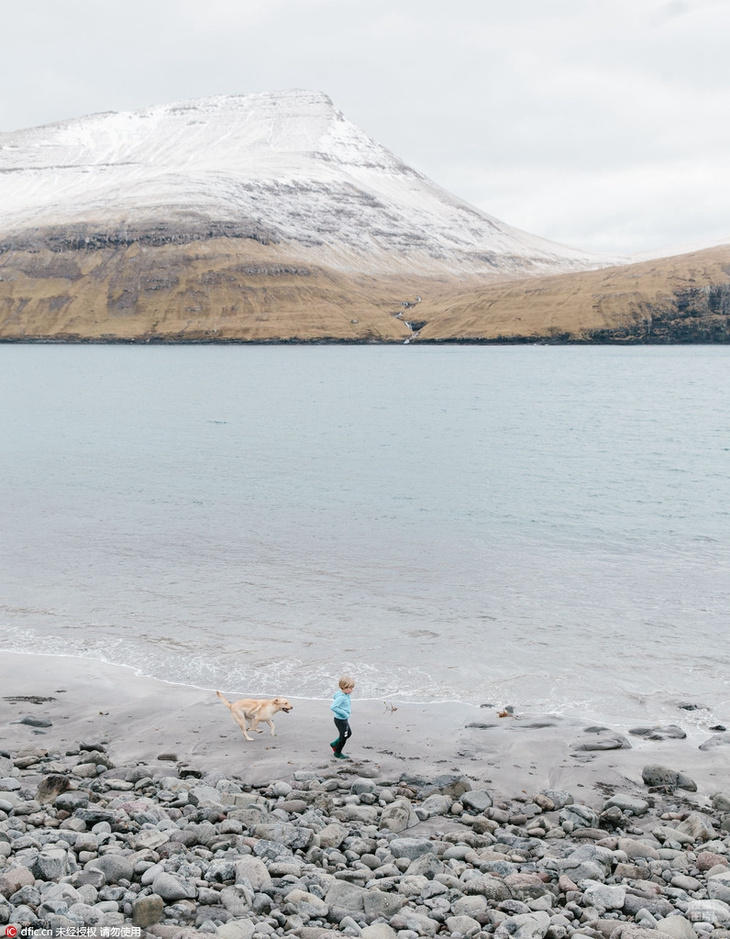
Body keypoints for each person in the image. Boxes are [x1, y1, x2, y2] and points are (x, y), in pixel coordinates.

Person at [330, 675, 355, 759]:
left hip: (343, 719)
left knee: (348, 734)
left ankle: (334, 744)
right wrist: (344, 713)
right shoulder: (341, 697)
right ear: (343, 687)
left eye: (352, 688)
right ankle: (338, 752)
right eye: (350, 688)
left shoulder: (344, 694)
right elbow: (333, 707)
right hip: (340, 720)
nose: (351, 690)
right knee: (343, 736)